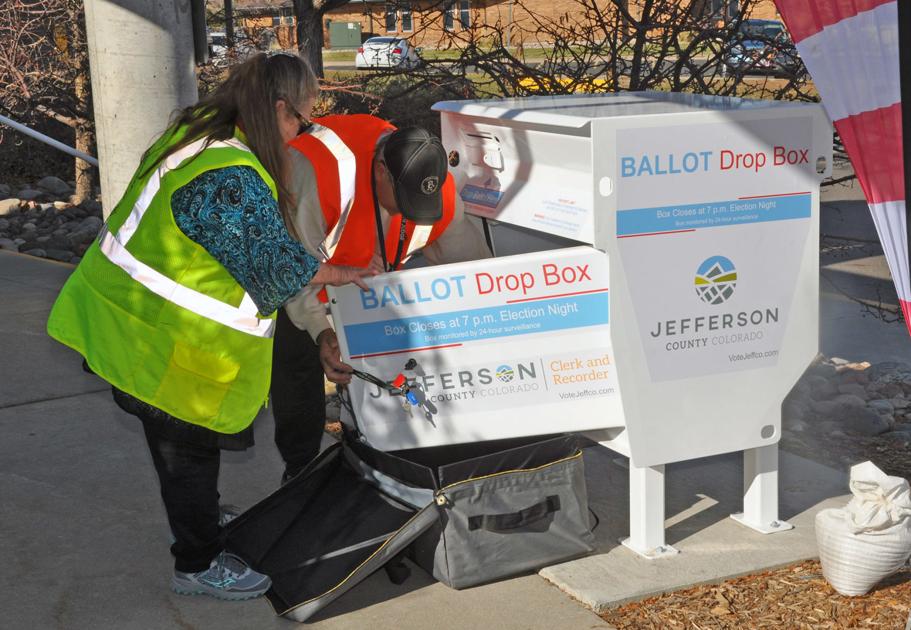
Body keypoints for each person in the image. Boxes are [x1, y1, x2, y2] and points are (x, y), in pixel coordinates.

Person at [46, 53, 370, 601]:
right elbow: (276, 268)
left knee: (181, 456)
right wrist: (346, 273)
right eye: (301, 120)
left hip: (130, 320)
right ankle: (196, 562)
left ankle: (195, 512)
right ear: (275, 108)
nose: (301, 133)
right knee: (187, 451)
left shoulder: (195, 132)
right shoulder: (228, 177)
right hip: (168, 344)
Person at [270, 114, 492, 483]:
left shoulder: (437, 187)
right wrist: (322, 332)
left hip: (370, 279)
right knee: (297, 362)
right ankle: (300, 472)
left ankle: (381, 456)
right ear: (380, 173)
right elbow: (291, 271)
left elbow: (471, 272)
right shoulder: (315, 171)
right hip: (305, 266)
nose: (409, 211)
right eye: (402, 201)